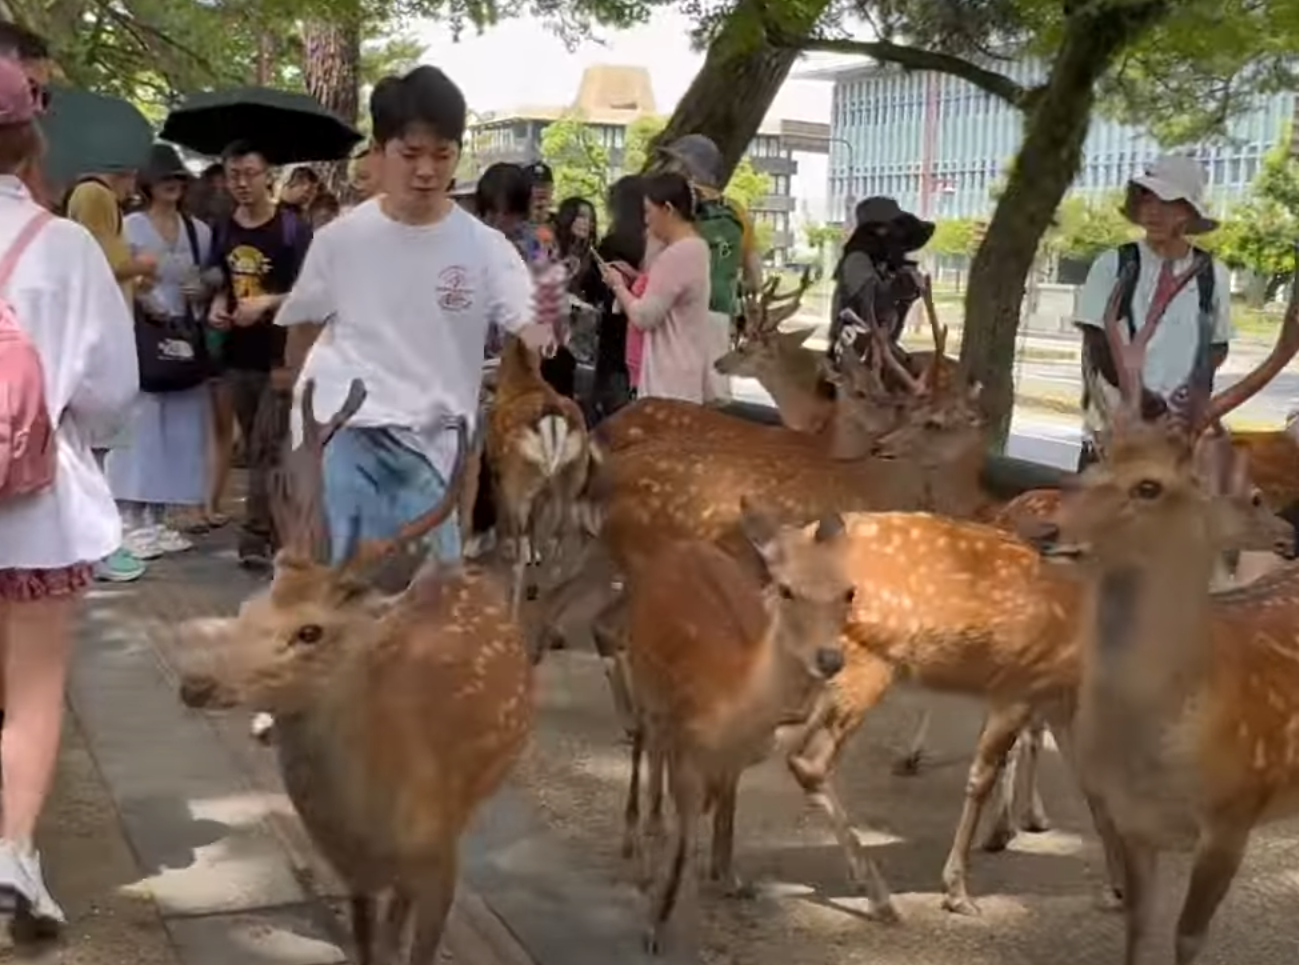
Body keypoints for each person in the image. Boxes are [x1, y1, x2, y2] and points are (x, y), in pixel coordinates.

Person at [275, 65, 551, 568]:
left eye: (441, 154)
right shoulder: (339, 242)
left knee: (429, 607)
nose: (426, 170)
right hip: (349, 438)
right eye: (410, 153)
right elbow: (302, 337)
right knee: (343, 596)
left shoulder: (486, 249)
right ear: (379, 154)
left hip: (433, 454)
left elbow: (531, 330)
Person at [0, 55, 138, 930]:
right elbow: (111, 395)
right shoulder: (67, 247)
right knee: (34, 693)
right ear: (27, 137)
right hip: (34, 514)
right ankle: (12, 853)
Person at [1075, 153, 1232, 470]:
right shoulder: (1114, 264)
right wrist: (1144, 400)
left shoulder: (1212, 274)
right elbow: (1097, 341)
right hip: (1114, 442)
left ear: (1188, 212)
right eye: (1147, 200)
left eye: (1167, 202)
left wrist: (1187, 401)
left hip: (1175, 444)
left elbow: (1217, 346)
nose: (1153, 211)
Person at [207, 139, 312, 568]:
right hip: (237, 354)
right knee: (255, 445)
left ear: (269, 176)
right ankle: (278, 530)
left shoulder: (293, 230)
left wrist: (267, 303)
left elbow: (312, 290)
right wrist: (217, 302)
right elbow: (220, 277)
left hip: (281, 354)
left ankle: (256, 537)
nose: (242, 184)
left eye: (250, 174)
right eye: (234, 176)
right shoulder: (224, 226)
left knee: (270, 445)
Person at [105, 144, 213, 554]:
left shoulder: (198, 231)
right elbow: (115, 277)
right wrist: (141, 293)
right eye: (165, 177)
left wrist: (202, 289)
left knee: (183, 427)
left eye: (178, 177)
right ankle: (128, 519)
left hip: (184, 338)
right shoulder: (129, 227)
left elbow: (210, 279)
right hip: (142, 337)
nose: (173, 184)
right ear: (148, 183)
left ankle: (158, 517)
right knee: (142, 425)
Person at [63, 155, 156, 583]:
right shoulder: (94, 195)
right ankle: (97, 548)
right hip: (100, 340)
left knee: (97, 450)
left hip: (104, 332)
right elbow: (99, 263)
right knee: (94, 450)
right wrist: (140, 265)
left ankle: (94, 546)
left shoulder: (96, 199)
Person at [654, 134, 760, 398]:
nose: (668, 169)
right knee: (711, 404)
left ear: (688, 168)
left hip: (677, 317)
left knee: (672, 400)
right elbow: (755, 279)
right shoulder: (737, 214)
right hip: (718, 319)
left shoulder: (673, 210)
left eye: (674, 163)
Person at [599, 171, 712, 402]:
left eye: (649, 212)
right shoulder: (698, 247)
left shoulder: (675, 255)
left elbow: (643, 316)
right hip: (686, 372)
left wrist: (618, 286)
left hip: (665, 379)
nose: (647, 221)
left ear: (668, 209)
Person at [826, 196, 933, 361]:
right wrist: (897, 288)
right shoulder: (857, 260)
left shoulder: (883, 266)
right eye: (894, 230)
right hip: (852, 356)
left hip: (879, 353)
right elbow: (869, 303)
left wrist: (908, 294)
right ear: (878, 231)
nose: (898, 238)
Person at [587, 176, 646, 421]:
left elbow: (593, 287)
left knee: (611, 411)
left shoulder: (612, 243)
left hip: (615, 333)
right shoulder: (653, 242)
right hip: (643, 336)